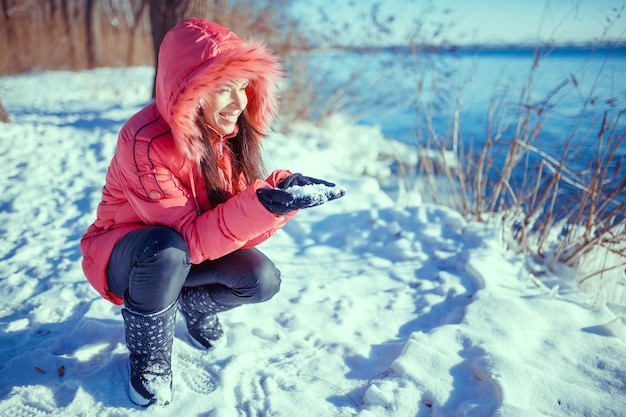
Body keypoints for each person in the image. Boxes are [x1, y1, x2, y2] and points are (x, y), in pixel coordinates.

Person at [80, 18, 344, 407]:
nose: (239, 101)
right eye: (224, 88)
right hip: (127, 257)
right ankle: (150, 357)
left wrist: (274, 202)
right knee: (167, 249)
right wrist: (256, 206)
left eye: (242, 86)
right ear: (190, 90)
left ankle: (194, 306)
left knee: (262, 278)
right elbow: (188, 239)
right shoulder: (144, 142)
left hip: (187, 254)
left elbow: (231, 231)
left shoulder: (227, 138)